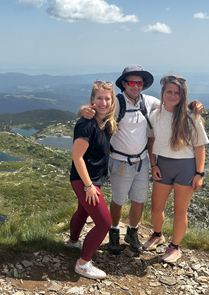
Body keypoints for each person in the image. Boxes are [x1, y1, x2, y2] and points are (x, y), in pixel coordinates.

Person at [78, 65, 204, 256]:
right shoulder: (117, 103)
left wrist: (194, 106)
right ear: (124, 84)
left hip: (142, 162)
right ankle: (114, 231)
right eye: (131, 82)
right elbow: (97, 109)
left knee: (139, 201)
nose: (135, 86)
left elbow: (172, 106)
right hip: (120, 161)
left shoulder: (149, 101)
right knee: (118, 200)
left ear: (143, 85)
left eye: (139, 82)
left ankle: (132, 232)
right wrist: (82, 111)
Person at [144, 75, 209, 263]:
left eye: (177, 93)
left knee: (180, 211)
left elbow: (199, 146)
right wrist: (154, 164)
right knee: (156, 208)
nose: (172, 96)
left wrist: (199, 173)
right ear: (163, 93)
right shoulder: (155, 115)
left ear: (183, 95)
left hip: (186, 168)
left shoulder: (191, 116)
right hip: (162, 165)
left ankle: (175, 247)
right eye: (169, 92)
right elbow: (151, 141)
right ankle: (158, 234)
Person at [69, 81, 117, 279]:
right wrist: (89, 186)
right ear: (92, 100)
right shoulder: (87, 124)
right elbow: (77, 156)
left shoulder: (104, 123)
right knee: (104, 223)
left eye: (107, 98)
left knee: (83, 211)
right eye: (99, 98)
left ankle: (72, 243)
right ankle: (83, 264)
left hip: (90, 179)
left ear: (112, 101)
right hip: (85, 180)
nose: (104, 102)